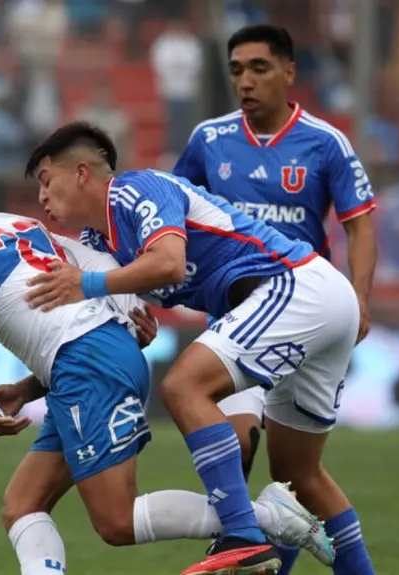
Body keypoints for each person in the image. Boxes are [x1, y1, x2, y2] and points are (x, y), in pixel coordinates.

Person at [0, 166, 333, 575]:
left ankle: (269, 517)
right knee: (22, 504)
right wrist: (116, 319)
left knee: (116, 522)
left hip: (87, 362)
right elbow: (91, 258)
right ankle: (262, 518)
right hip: (85, 359)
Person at [23, 122, 377, 575]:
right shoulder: (99, 243)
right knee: (298, 476)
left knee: (184, 386)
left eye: (47, 181)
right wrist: (31, 385)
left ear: (82, 173)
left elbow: (169, 263)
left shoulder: (134, 190)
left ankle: (243, 536)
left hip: (296, 287)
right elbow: (117, 312)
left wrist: (86, 284)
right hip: (317, 303)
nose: (42, 198)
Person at [171, 25, 378, 573]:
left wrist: (359, 297)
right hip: (237, 321)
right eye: (236, 69)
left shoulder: (325, 142)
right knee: (239, 447)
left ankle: (254, 548)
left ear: (289, 73)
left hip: (303, 316)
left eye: (259, 68)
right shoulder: (209, 140)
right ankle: (248, 543)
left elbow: (360, 224)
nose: (245, 80)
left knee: (294, 478)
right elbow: (172, 213)